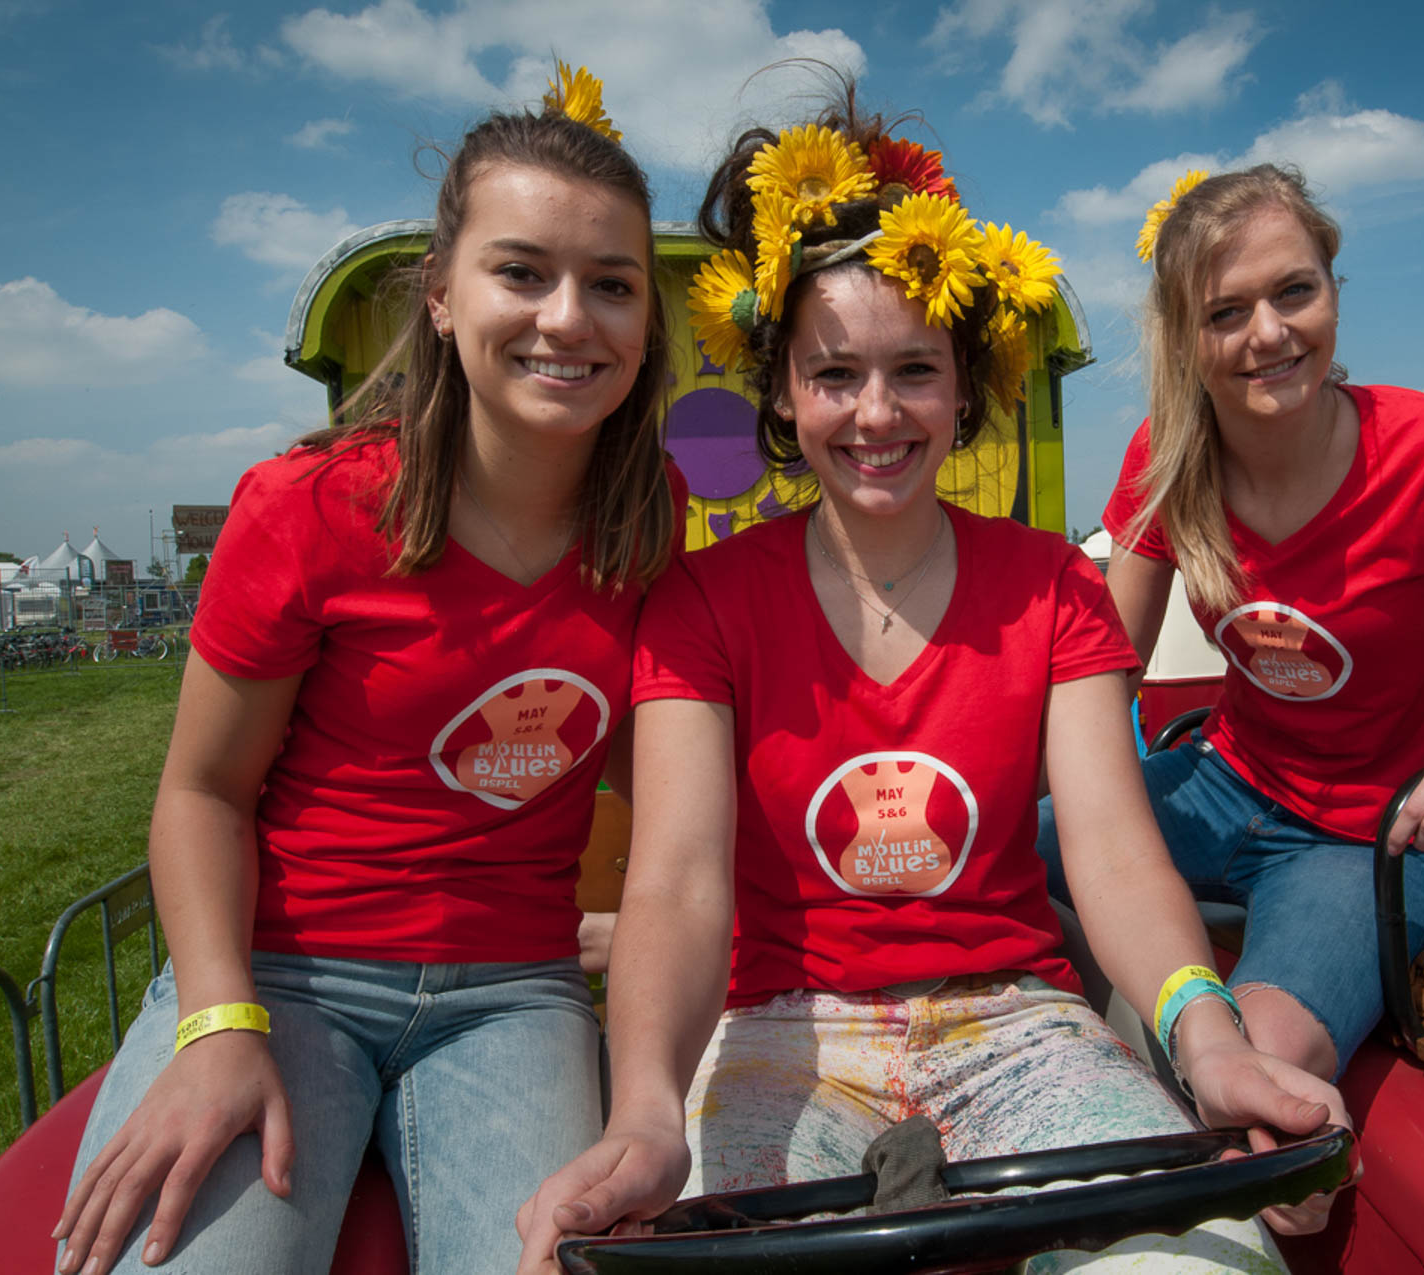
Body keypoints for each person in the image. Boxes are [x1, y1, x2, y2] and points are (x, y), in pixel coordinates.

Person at [516, 90, 1345, 1275]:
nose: (875, 412)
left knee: (1198, 1263)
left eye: (914, 370)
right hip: (778, 1030)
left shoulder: (1053, 587)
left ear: (965, 389)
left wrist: (1206, 1040)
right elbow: (680, 881)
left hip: (1019, 1023)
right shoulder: (701, 601)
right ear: (783, 391)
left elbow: (1113, 855)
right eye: (833, 373)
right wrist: (646, 1107)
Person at [54, 66, 687, 1275]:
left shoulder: (648, 514)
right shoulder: (308, 505)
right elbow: (201, 793)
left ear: (646, 321)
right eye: (521, 272)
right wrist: (216, 1022)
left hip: (516, 992)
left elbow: (658, 800)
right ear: (441, 296)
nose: (568, 318)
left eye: (612, 284)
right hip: (282, 971)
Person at [1039, 166, 1424, 1121]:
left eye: (1293, 291)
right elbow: (1102, 672)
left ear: (1335, 291)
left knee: (1262, 1077)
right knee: (975, 857)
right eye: (1226, 312)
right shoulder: (1165, 458)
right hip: (1218, 785)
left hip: (1372, 836)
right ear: (1185, 337)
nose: (1268, 333)